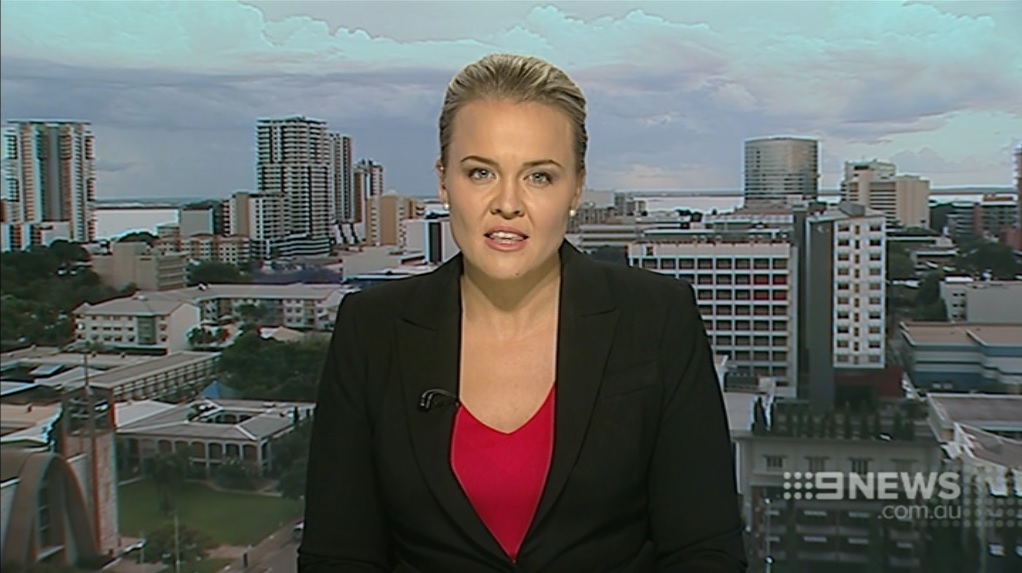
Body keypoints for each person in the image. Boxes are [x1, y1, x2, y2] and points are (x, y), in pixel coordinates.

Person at [298, 53, 748, 572]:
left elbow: (705, 550)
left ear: (576, 187)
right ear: (444, 181)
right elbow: (338, 555)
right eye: (481, 172)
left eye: (539, 177)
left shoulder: (658, 318)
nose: (507, 203)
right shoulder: (372, 329)